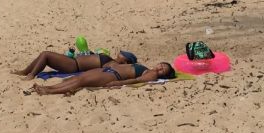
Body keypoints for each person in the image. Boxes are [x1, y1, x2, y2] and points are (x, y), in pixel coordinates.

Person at [33, 61, 175, 95]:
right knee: (79, 77)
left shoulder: (152, 74)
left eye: (163, 70)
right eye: (162, 65)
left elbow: (137, 80)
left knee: (81, 81)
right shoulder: (148, 68)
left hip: (113, 75)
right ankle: (50, 88)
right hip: (108, 70)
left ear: (163, 75)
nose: (160, 68)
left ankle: (49, 91)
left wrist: (118, 82)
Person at [12, 50, 139, 80]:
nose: (120, 52)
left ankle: (31, 74)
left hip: (73, 65)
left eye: (123, 54)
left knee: (46, 55)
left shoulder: (112, 63)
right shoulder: (111, 60)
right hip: (73, 62)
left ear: (126, 61)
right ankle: (25, 71)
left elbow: (110, 70)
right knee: (44, 54)